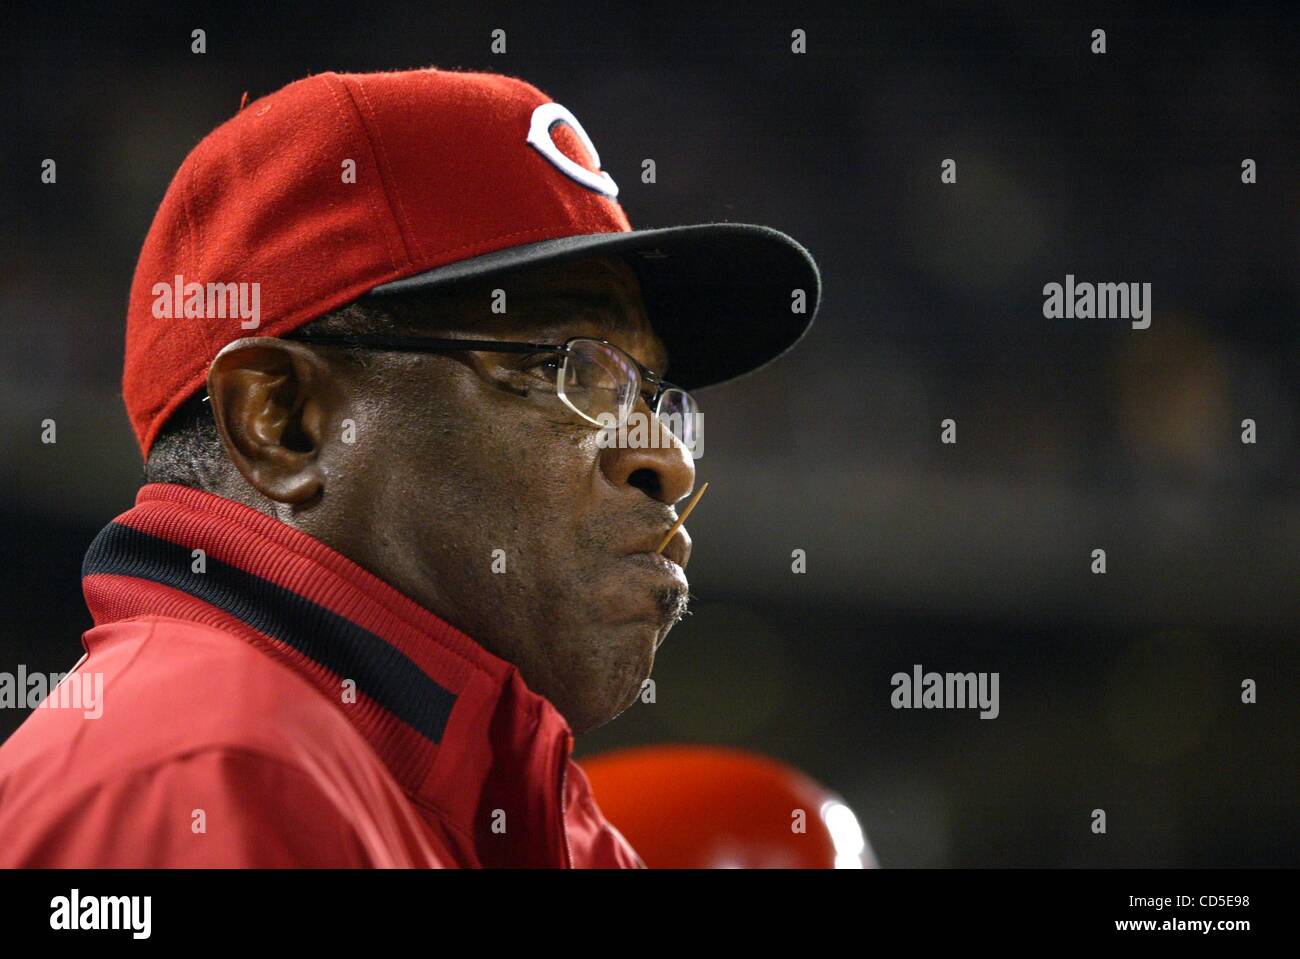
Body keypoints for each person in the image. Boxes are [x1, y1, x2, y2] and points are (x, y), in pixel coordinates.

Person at [0, 67, 819, 867]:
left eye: (650, 391)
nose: (667, 460)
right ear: (281, 422)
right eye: (562, 368)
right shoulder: (198, 790)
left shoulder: (539, 826)